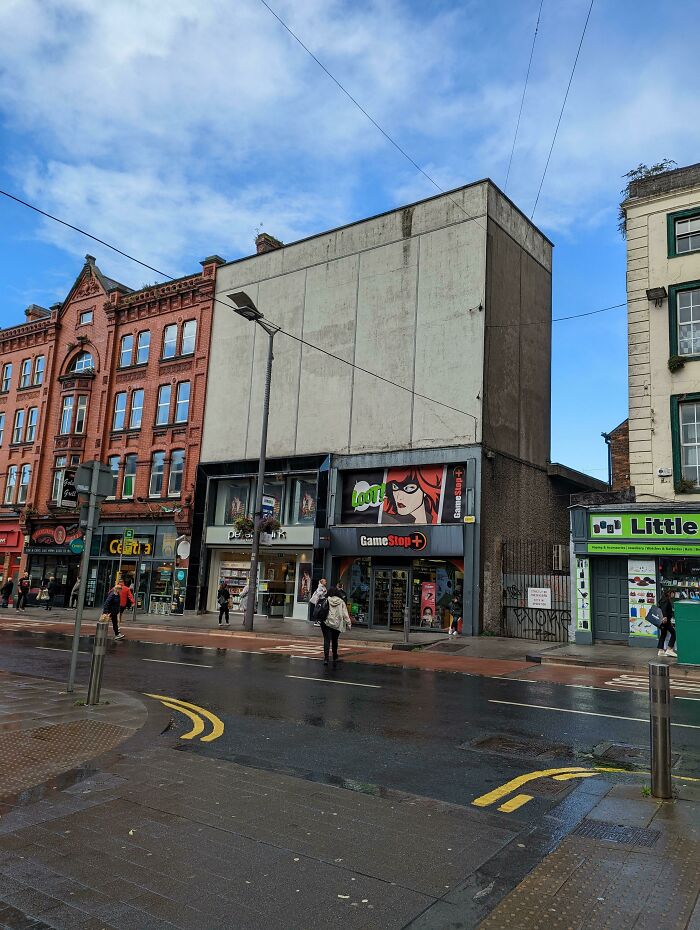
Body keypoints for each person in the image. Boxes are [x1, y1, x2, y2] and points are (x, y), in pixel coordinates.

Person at [320, 586, 351, 668]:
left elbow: (322, 610)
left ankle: (326, 659)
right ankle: (334, 656)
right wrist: (349, 623)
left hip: (326, 623)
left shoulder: (326, 600)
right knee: (335, 640)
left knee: (326, 640)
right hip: (337, 624)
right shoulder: (341, 601)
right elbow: (345, 613)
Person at [658, 591, 677, 658]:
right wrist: (665, 617)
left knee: (663, 634)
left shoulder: (662, 599)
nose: (673, 594)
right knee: (674, 633)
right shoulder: (666, 600)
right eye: (672, 593)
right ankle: (669, 649)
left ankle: (661, 650)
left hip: (663, 620)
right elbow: (664, 609)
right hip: (665, 621)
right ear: (669, 593)